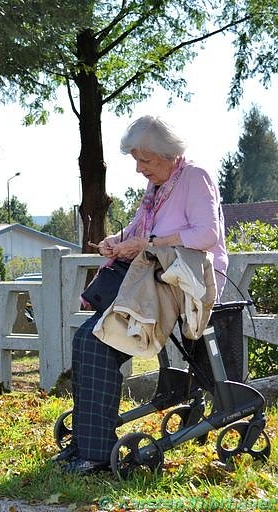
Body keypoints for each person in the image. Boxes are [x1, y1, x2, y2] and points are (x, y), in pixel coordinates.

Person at [54, 115, 228, 475]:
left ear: (168, 154)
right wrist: (115, 244)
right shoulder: (157, 191)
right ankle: (87, 443)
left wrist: (150, 243)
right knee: (87, 342)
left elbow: (207, 235)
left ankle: (98, 452)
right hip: (154, 282)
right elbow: (137, 233)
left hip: (185, 285)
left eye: (145, 160)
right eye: (136, 160)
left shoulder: (194, 178)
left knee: (97, 342)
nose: (139, 169)